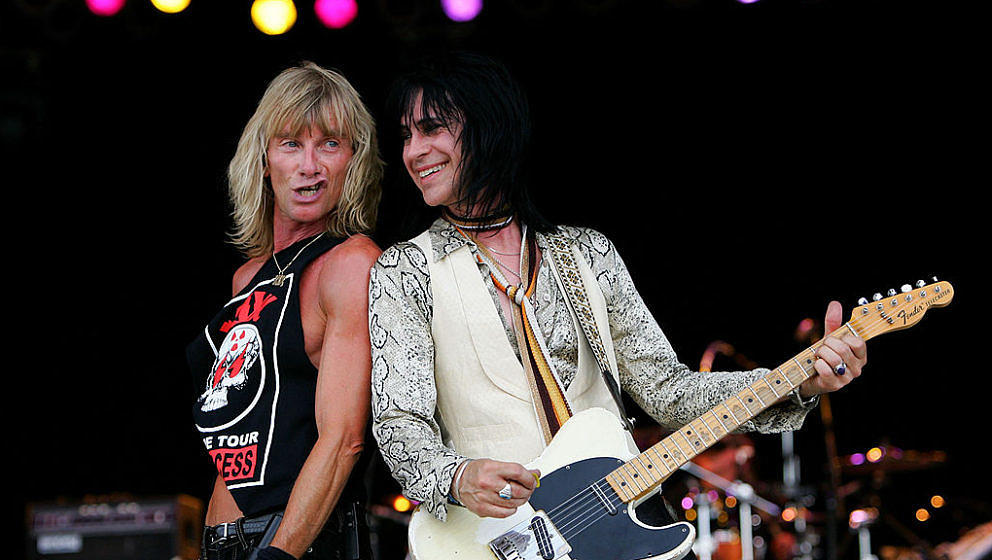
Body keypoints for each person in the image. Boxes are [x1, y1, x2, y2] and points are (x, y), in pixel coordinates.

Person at [367, 51, 866, 538]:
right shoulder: (404, 271)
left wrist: (799, 381)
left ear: (488, 125)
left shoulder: (588, 253)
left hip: (616, 531)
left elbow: (669, 392)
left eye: (432, 129)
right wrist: (456, 477)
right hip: (494, 539)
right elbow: (399, 424)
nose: (413, 152)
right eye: (407, 135)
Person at [188, 62, 383, 560]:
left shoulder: (350, 264)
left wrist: (279, 554)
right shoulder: (247, 277)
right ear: (264, 159)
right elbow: (240, 431)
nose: (310, 165)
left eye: (330, 145)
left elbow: (344, 441)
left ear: (354, 162)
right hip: (226, 542)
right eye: (291, 143)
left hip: (300, 543)